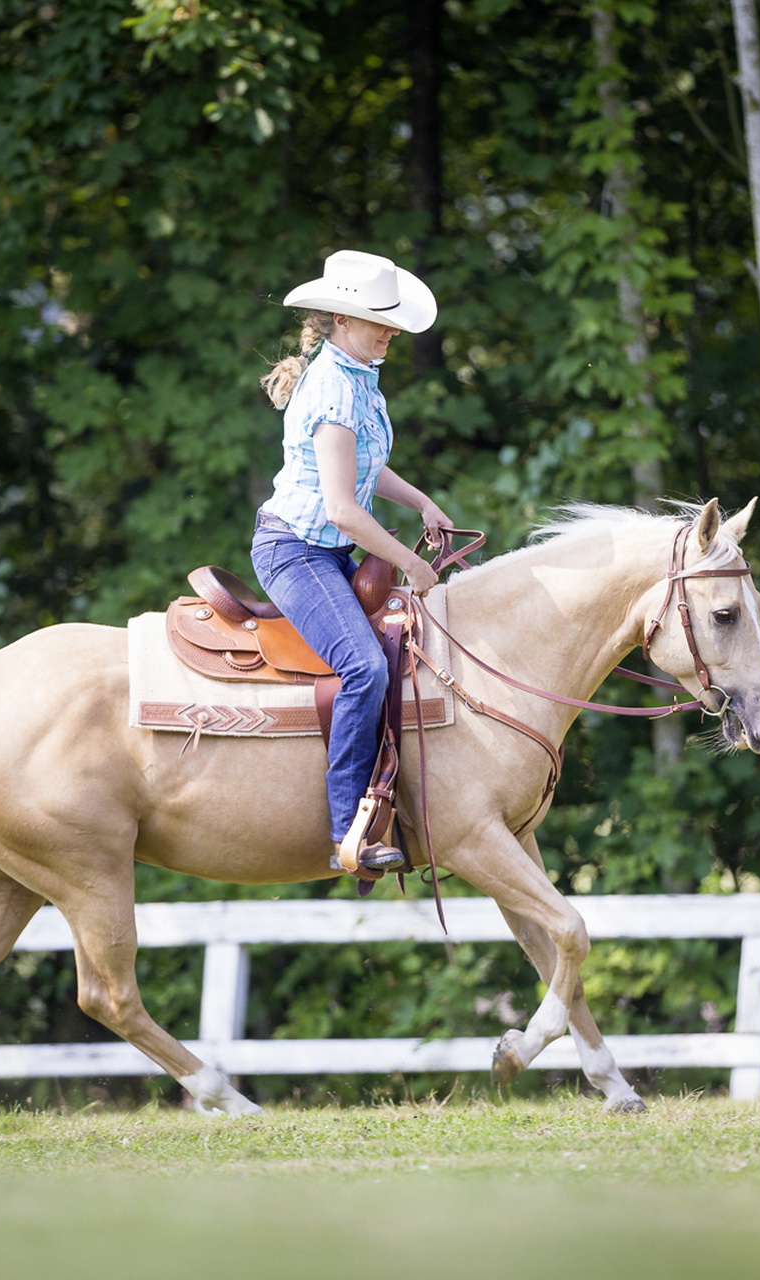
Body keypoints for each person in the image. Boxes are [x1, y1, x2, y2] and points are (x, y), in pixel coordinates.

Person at [252, 250, 452, 877]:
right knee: (364, 666)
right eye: (377, 321)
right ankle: (350, 831)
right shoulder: (335, 385)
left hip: (327, 551)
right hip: (298, 551)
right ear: (341, 319)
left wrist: (420, 500)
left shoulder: (357, 373)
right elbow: (342, 507)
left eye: (390, 321)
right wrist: (411, 565)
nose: (388, 331)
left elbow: (365, 466)